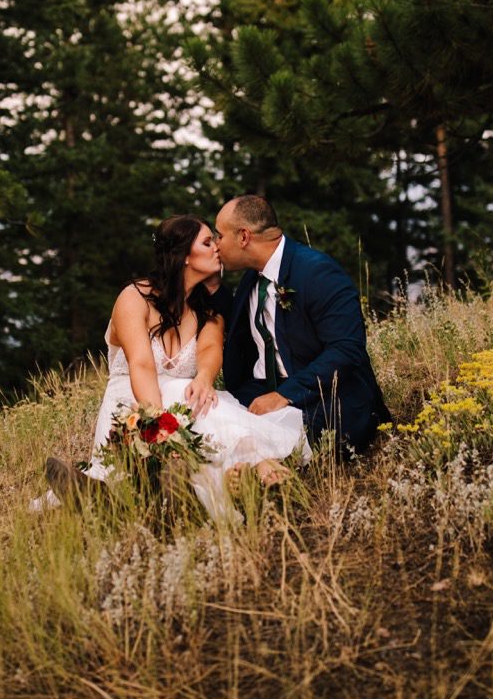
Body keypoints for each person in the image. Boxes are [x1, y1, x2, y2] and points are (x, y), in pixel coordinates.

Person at [41, 214, 309, 519]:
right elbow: (141, 365)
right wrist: (157, 426)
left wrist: (206, 378)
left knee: (202, 401)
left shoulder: (207, 307)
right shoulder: (134, 298)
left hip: (185, 408)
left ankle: (240, 479)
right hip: (134, 407)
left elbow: (209, 349)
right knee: (184, 397)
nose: (217, 248)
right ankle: (111, 496)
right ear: (183, 256)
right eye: (207, 242)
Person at [213, 195, 388, 457]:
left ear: (243, 237)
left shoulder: (318, 272)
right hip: (259, 388)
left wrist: (284, 395)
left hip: (325, 394)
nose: (216, 245)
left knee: (270, 436)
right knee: (212, 419)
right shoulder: (251, 278)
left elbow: (346, 349)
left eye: (219, 236)